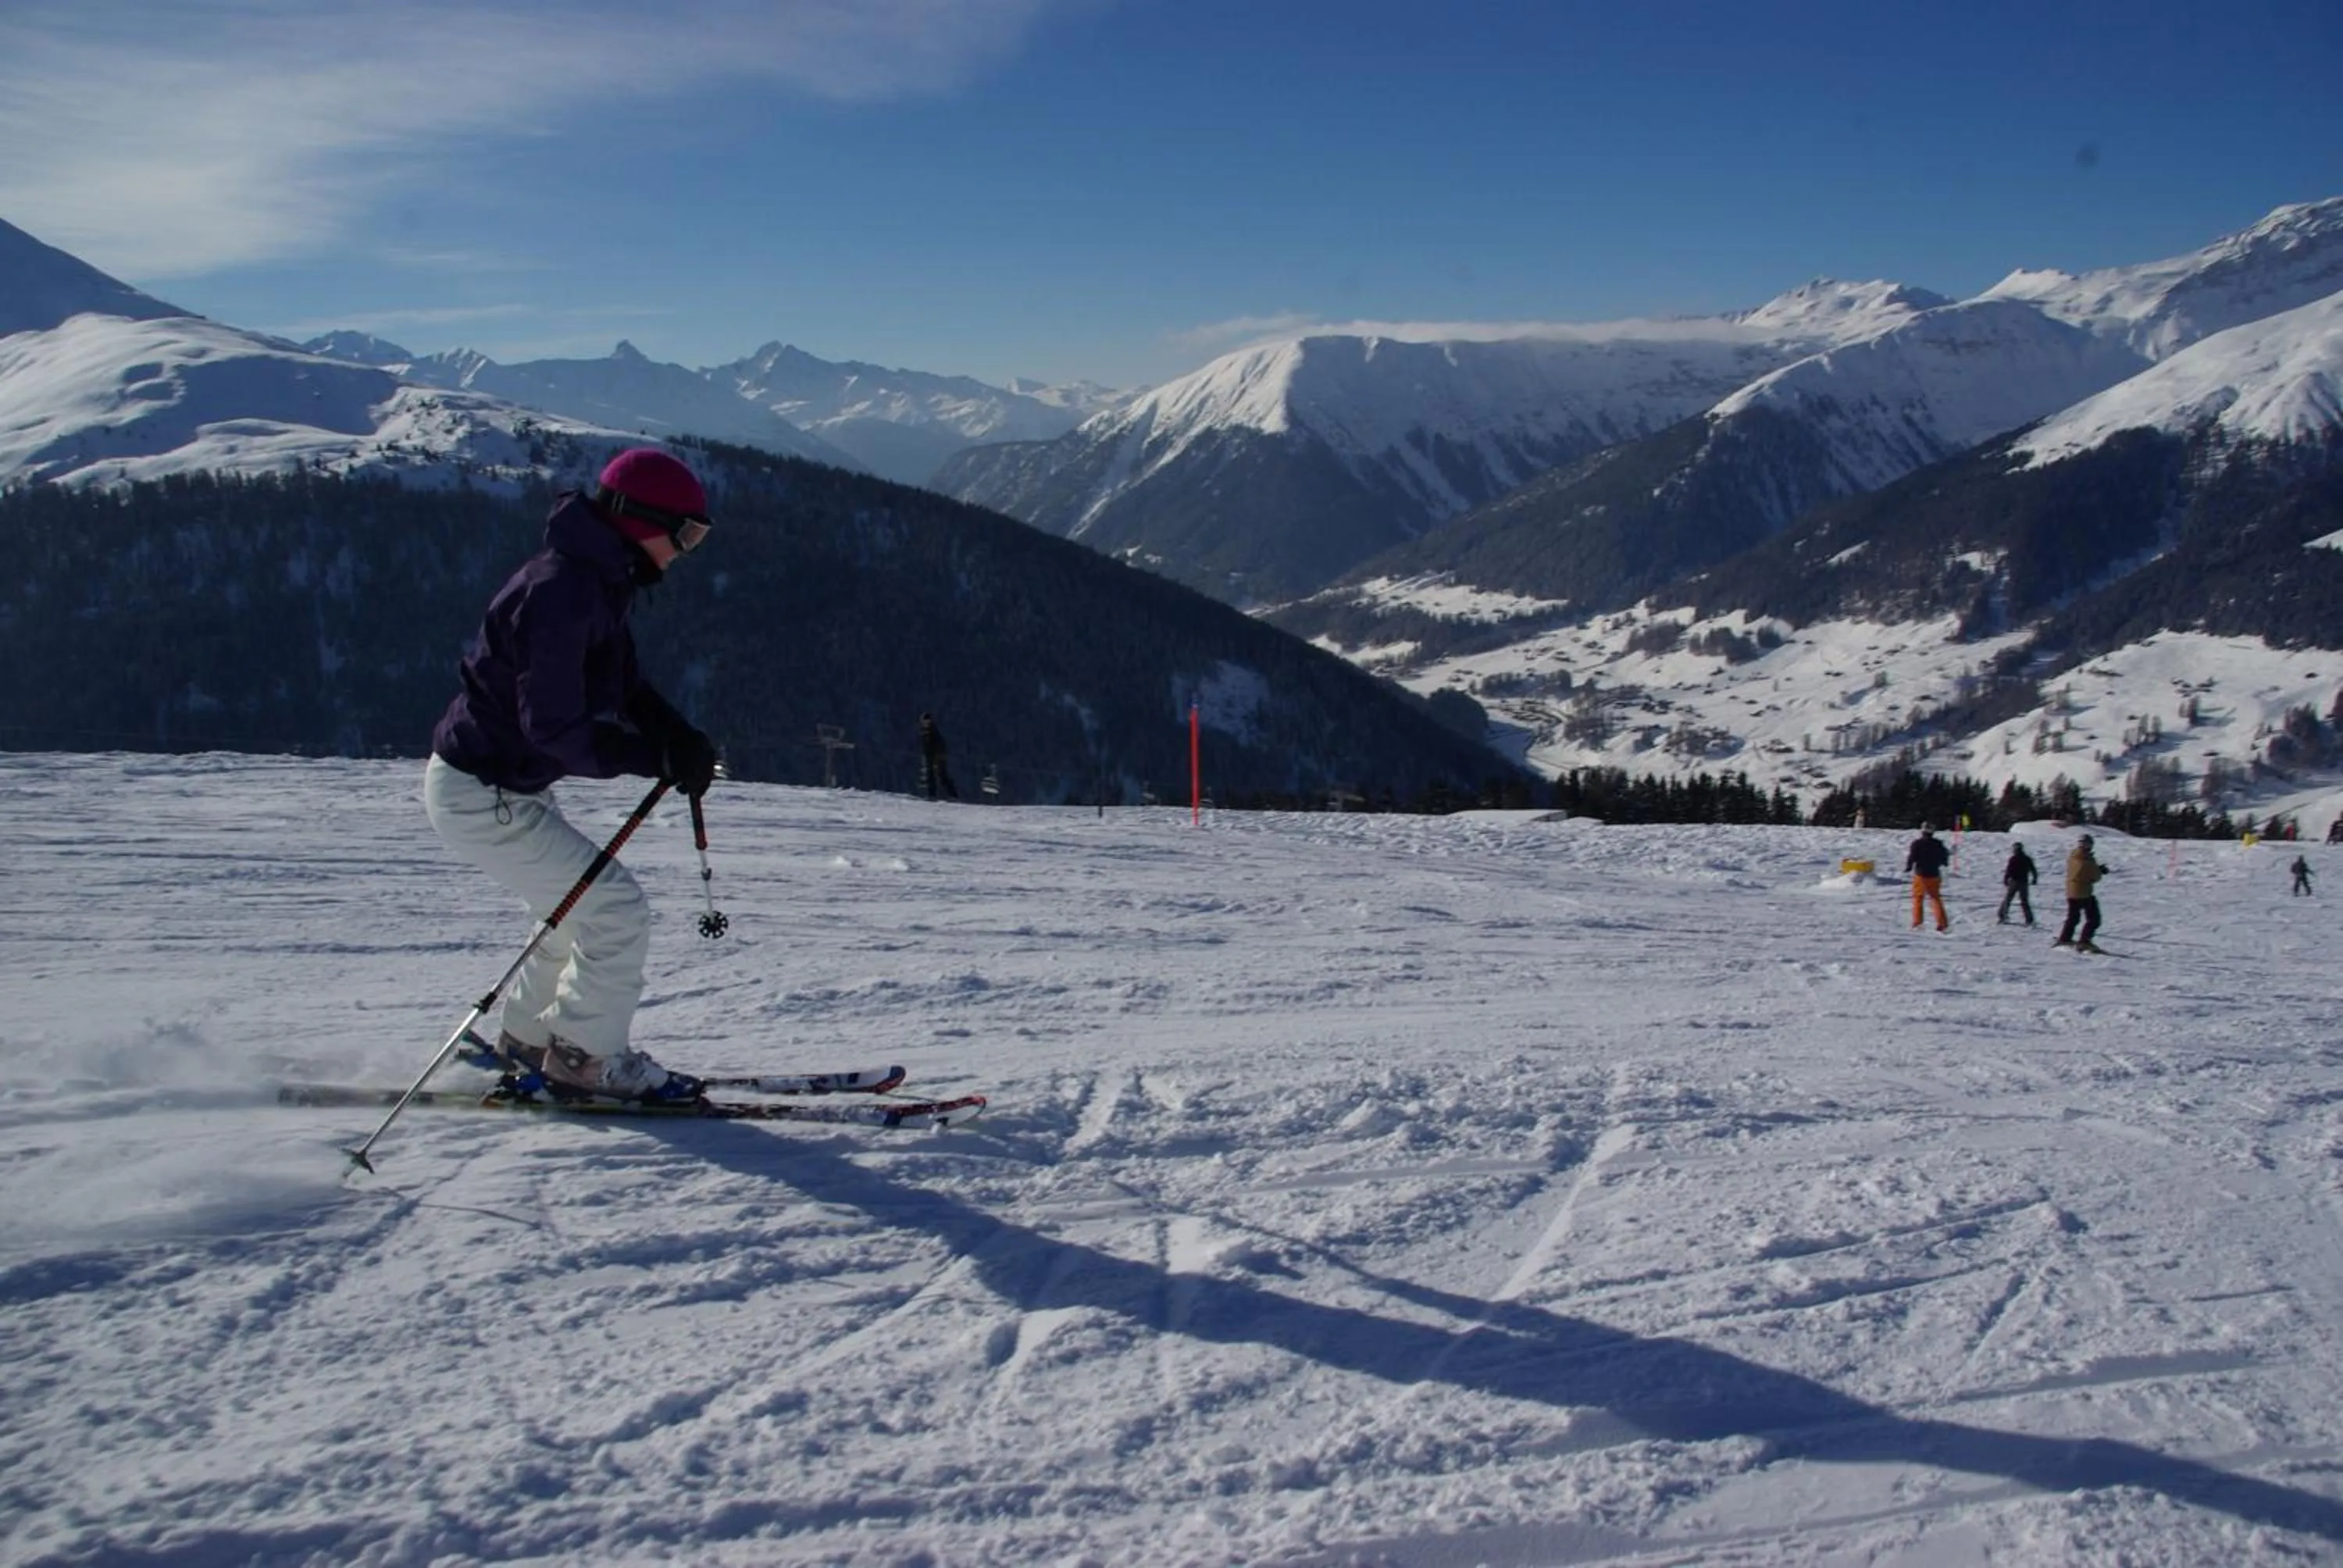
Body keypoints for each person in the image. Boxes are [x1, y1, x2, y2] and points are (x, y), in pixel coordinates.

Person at [423, 447, 719, 1104]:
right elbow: (554, 729)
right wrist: (652, 757)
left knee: (570, 912)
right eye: (686, 534)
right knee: (615, 910)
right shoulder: (564, 591)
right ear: (640, 521)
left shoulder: (597, 579)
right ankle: (585, 1060)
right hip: (483, 792)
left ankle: (528, 1042)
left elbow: (624, 682)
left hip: (498, 786)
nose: (687, 550)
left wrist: (676, 735)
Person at [2054, 833, 2109, 953]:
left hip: (2071, 892)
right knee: (2094, 919)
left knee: (2073, 917)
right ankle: (2085, 941)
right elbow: (2094, 877)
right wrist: (2099, 870)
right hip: (2083, 893)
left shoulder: (2073, 857)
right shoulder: (2086, 861)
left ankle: (2065, 937)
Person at [1905, 823, 1952, 932]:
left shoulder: (1917, 843)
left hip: (1921, 874)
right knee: (1935, 898)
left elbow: (1912, 857)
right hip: (1935, 874)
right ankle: (1942, 923)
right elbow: (1944, 858)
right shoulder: (1938, 844)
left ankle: (1918, 923)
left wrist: (1908, 867)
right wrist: (1943, 862)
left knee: (1918, 898)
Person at [918, 711, 959, 801]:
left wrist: (937, 757)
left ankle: (953, 795)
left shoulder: (933, 732)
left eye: (926, 721)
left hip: (937, 757)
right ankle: (932, 795)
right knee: (931, 776)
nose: (924, 723)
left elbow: (939, 745)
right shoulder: (926, 732)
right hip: (930, 757)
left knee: (941, 776)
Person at [1998, 841, 2038, 926]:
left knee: (2008, 899)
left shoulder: (2014, 858)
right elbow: (2033, 870)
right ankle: (2029, 920)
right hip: (2023, 882)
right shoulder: (2026, 858)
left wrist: (2006, 879)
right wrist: (2034, 878)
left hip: (2015, 882)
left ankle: (2002, 916)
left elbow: (2009, 870)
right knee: (2024, 901)